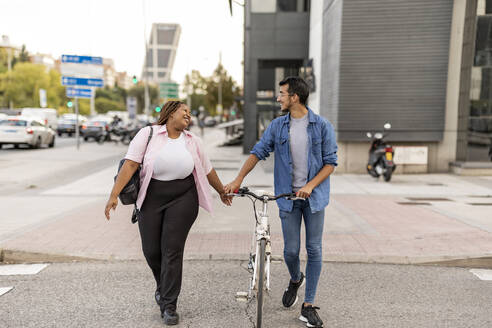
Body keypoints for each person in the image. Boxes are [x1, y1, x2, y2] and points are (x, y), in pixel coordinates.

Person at [105, 100, 231, 326]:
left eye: (190, 113)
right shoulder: (148, 134)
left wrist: (222, 191)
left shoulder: (194, 141)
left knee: (172, 250)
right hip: (151, 196)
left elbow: (207, 169)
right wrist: (114, 195)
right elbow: (131, 165)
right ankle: (163, 287)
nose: (188, 116)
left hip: (183, 197)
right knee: (151, 250)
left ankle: (169, 305)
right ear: (171, 113)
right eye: (185, 111)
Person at [225, 76, 337, 328]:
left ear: (294, 97)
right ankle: (296, 278)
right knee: (289, 251)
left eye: (282, 94)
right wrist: (238, 179)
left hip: (313, 198)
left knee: (314, 248)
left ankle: (308, 306)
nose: (278, 98)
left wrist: (309, 186)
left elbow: (330, 163)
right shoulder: (278, 126)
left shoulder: (321, 126)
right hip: (287, 197)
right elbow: (258, 152)